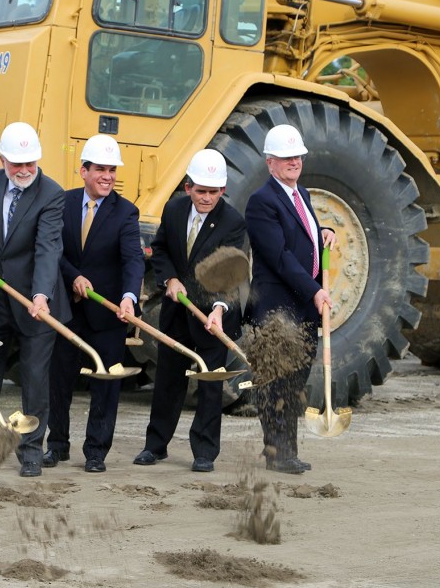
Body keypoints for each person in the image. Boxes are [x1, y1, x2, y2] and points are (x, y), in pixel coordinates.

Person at [0, 122, 68, 477]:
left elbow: (48, 248)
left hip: (35, 300)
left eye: (30, 163)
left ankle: (31, 451)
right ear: (2, 159)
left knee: (35, 381)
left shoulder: (51, 193)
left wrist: (40, 295)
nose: (24, 171)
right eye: (17, 164)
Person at [133, 149, 245, 472]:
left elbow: (233, 270)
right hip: (176, 310)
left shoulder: (233, 222)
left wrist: (219, 310)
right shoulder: (174, 210)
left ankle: (205, 452)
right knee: (168, 378)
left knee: (211, 383)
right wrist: (169, 278)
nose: (207, 198)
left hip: (213, 315)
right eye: (201, 191)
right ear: (188, 187)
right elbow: (162, 249)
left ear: (222, 190)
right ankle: (155, 446)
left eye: (214, 192)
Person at [45, 135, 144, 473]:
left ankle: (96, 452)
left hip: (107, 312)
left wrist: (129, 297)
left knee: (106, 383)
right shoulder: (63, 203)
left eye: (112, 170)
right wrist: (73, 276)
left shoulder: (126, 212)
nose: (107, 176)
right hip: (68, 310)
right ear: (83, 170)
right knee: (58, 379)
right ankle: (56, 445)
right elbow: (52, 249)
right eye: (100, 169)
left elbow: (133, 260)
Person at [245, 124, 336, 474]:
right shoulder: (261, 201)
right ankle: (276, 453)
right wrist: (315, 290)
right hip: (277, 307)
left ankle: (288, 452)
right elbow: (280, 256)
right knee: (275, 382)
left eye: (297, 156)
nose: (293, 161)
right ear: (270, 163)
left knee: (295, 382)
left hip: (302, 307)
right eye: (285, 157)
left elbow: (301, 230)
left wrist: (322, 229)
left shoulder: (303, 195)